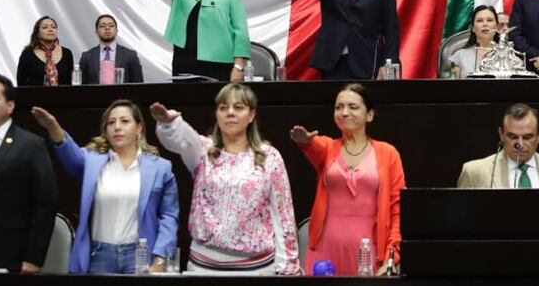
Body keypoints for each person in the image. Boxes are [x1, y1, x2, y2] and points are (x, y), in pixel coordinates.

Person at [151, 84, 301, 274]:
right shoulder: (203, 150)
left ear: (252, 115)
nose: (230, 113)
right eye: (223, 107)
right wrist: (170, 123)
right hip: (203, 269)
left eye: (238, 107)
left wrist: (288, 267)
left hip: (256, 271)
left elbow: (283, 215)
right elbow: (180, 138)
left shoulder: (270, 156)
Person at [30, 100, 178, 273]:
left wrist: (160, 259)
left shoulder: (161, 168)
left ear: (139, 128)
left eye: (124, 121)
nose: (117, 127)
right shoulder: (91, 161)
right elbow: (70, 155)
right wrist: (53, 128)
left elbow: (169, 217)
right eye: (111, 122)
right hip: (99, 254)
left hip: (140, 254)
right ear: (105, 130)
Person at [290, 83, 405, 275]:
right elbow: (314, 147)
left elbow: (397, 210)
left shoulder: (388, 153)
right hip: (325, 248)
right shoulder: (328, 148)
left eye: (353, 107)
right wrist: (306, 143)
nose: (344, 112)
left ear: (369, 115)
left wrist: (392, 256)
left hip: (369, 251)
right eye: (338, 107)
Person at [0, 74, 58, 272]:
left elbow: (45, 206)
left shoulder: (31, 145)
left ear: (10, 106)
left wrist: (34, 258)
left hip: (9, 255)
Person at [457, 103, 539, 189]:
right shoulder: (474, 172)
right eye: (513, 137)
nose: (520, 144)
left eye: (527, 137)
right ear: (501, 134)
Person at [78, 14, 145, 84]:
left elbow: (138, 85)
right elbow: (81, 85)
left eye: (111, 25)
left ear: (116, 31)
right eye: (102, 26)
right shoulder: (87, 56)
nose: (107, 28)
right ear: (96, 32)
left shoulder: (130, 55)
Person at [16, 15, 74, 86]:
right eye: (45, 27)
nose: (50, 29)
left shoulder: (67, 53)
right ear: (38, 33)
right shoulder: (27, 54)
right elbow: (21, 83)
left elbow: (71, 82)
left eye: (53, 27)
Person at [449, 5, 500, 78]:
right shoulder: (459, 56)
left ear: (497, 26)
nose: (485, 24)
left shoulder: (507, 54)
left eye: (490, 20)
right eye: (479, 20)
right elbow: (451, 86)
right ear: (473, 28)